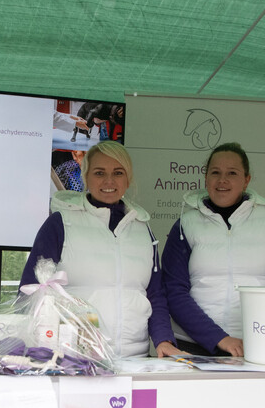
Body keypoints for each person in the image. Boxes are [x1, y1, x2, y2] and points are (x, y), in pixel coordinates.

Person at [20, 141, 180, 358]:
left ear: (128, 179)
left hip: (134, 358)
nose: (109, 181)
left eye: (118, 173)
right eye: (99, 173)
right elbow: (30, 291)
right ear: (85, 177)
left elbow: (155, 294)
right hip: (76, 359)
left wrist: (164, 340)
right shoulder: (60, 223)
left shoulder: (143, 228)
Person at [162, 142, 265, 356]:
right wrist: (218, 338)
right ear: (206, 178)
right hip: (193, 346)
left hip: (258, 346)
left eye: (232, 173)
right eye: (215, 172)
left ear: (246, 180)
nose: (222, 180)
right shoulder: (185, 225)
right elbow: (173, 292)